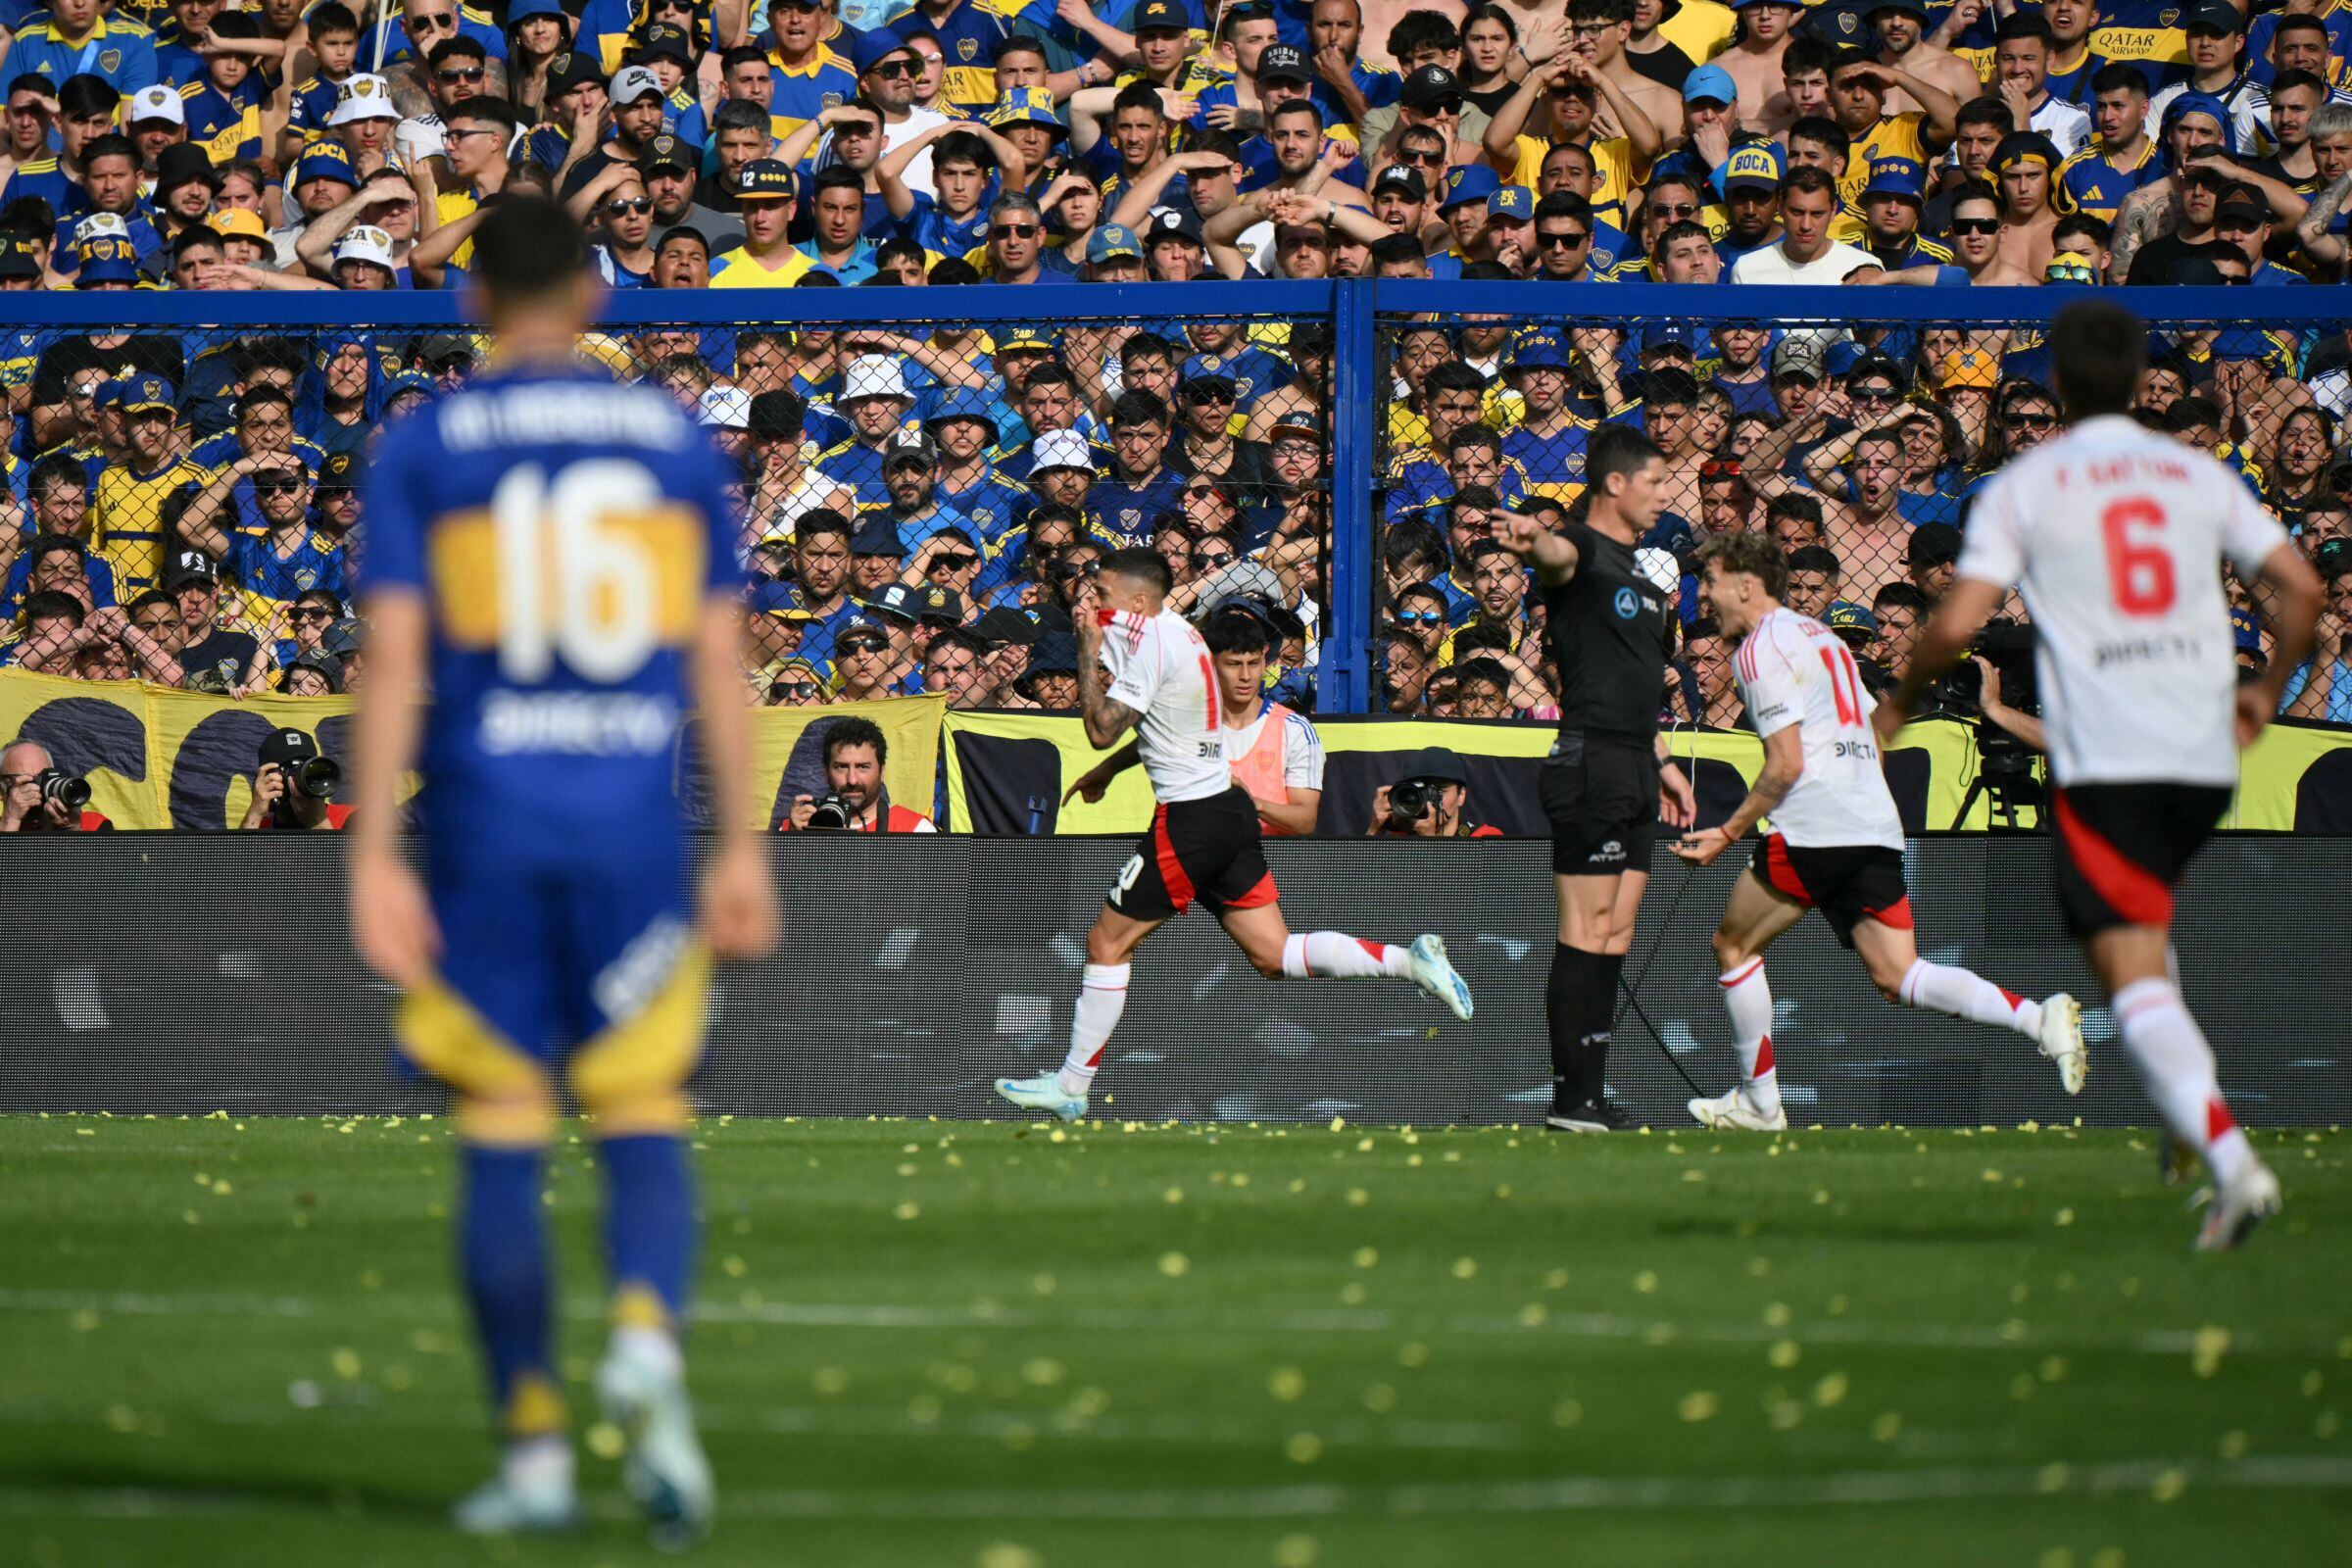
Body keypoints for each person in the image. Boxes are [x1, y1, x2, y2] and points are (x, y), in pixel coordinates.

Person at [346, 194, 777, 1539]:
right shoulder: (664, 439)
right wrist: (745, 842)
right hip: (631, 830)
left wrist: (370, 851)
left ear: (469, 298)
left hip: (484, 827)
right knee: (642, 1109)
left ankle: (533, 1447)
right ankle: (646, 1332)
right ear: (593, 299)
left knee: (499, 1137)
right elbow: (721, 654)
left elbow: (396, 660)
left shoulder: (426, 445)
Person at [1876, 300, 2322, 1252]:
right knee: (2145, 931)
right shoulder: (2197, 474)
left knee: (2125, 969)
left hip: (2112, 755)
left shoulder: (2028, 486)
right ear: (2138, 383)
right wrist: (2268, 690)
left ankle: (2236, 1166)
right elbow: (2308, 588)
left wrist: (1896, 703)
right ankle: (2182, 1111)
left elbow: (1954, 627)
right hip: (2206, 748)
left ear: (2059, 389)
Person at [993, 549, 1473, 1123]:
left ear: (1139, 600)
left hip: (1190, 819)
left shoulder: (1155, 646)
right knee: (1275, 954)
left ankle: (1072, 1084)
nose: (1096, 598)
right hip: (1226, 812)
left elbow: (1099, 729)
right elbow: (1163, 723)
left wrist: (1088, 647)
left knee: (1106, 945)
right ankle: (1408, 963)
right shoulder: (1182, 635)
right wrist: (1109, 771)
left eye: (1106, 590)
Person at [1670, 532, 2087, 1132]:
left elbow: (1785, 763)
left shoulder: (1759, 651)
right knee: (1900, 975)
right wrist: (1864, 802)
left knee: (1734, 946)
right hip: (1870, 819)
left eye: (1710, 580)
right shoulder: (1824, 639)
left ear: (1745, 583)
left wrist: (1726, 833)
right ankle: (2037, 1019)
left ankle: (1760, 1104)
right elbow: (1873, 734)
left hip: (1816, 824)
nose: (1704, 595)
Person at [1491, 425, 1696, 1133]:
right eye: (1657, 483)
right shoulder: (1580, 547)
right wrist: (1533, 536)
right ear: (1617, 483)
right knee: (1584, 930)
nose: (1664, 497)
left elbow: (1638, 684)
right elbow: (1553, 555)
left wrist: (1664, 764)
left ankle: (1593, 1094)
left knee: (1618, 932)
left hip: (1638, 764)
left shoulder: (1645, 571)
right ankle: (1569, 1098)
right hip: (1591, 761)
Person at [1064, 597, 1326, 836]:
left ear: (1265, 657)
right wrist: (1106, 770)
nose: (1246, 677)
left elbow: (1304, 821)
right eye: (1234, 665)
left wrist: (1249, 802)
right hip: (1189, 856)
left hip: (1267, 860)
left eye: (1254, 663)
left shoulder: (1294, 730)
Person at [781, 715, 935, 831]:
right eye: (842, 767)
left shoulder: (914, 829)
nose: (852, 780)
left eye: (863, 767)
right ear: (826, 772)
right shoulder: (798, 825)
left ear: (882, 771)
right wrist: (795, 840)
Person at [240, 726, 354, 830]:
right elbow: (240, 852)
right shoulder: (258, 829)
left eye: (306, 770)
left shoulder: (351, 818)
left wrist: (319, 823)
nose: (297, 779)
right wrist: (254, 814)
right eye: (289, 770)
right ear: (266, 779)